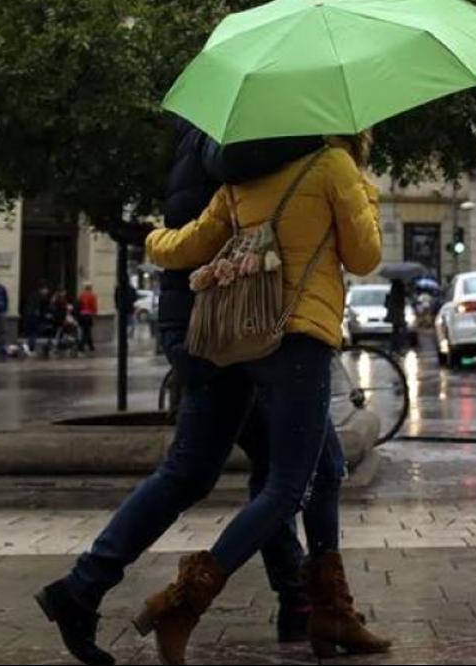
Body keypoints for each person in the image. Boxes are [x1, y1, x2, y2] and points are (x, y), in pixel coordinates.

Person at [37, 120, 335, 665]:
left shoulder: (206, 132)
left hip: (227, 320)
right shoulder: (239, 143)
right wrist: (321, 143)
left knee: (281, 466)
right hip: (230, 323)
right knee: (220, 472)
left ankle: (303, 602)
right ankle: (89, 587)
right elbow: (232, 192)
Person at [134, 130, 389, 663]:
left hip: (255, 338)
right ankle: (184, 601)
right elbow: (364, 257)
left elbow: (190, 245)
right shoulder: (333, 167)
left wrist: (153, 240)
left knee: (330, 467)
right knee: (286, 488)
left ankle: (331, 611)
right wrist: (367, 194)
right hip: (302, 338)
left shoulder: (242, 177)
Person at [385, 279, 408, 354]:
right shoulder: (399, 288)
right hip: (397, 313)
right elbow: (401, 300)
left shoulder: (393, 288)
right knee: (402, 330)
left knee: (396, 330)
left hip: (394, 313)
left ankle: (394, 348)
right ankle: (397, 347)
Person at [77, 282, 98, 353]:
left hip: (81, 315)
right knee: (87, 332)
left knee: (86, 331)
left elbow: (78, 305)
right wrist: (94, 314)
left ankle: (91, 346)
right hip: (88, 315)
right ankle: (81, 346)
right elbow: (94, 306)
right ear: (90, 288)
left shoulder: (81, 295)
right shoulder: (92, 296)